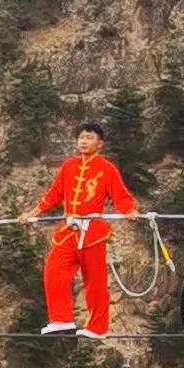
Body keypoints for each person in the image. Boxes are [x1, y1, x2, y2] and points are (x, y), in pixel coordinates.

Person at [31, 119, 138, 335]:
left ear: (100, 144)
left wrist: (129, 211)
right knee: (54, 271)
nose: (83, 141)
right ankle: (61, 319)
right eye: (81, 137)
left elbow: (120, 196)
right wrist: (33, 213)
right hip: (69, 230)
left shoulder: (107, 169)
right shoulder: (69, 166)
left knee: (95, 282)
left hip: (93, 231)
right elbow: (54, 194)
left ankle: (97, 327)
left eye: (89, 137)